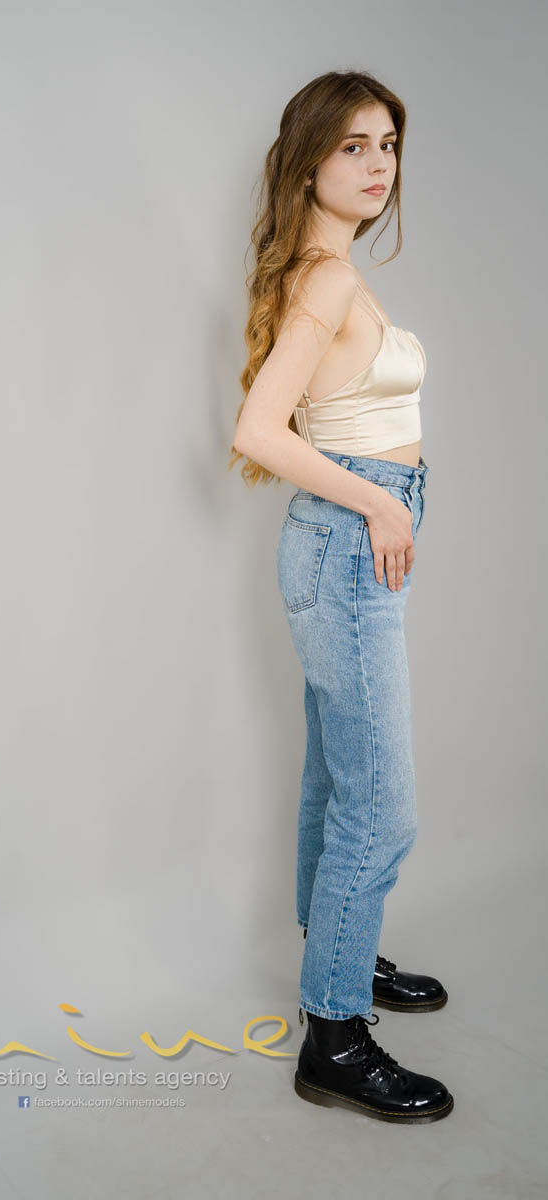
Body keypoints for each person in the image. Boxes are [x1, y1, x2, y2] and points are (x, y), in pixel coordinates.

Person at [229, 70, 453, 1124]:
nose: (376, 165)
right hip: (347, 542)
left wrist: (378, 507)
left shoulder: (331, 270)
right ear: (307, 160)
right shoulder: (323, 279)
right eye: (352, 146)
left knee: (333, 777)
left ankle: (342, 957)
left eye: (386, 144)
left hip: (343, 544)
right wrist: (379, 504)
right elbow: (257, 430)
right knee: (380, 804)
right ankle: (333, 1039)